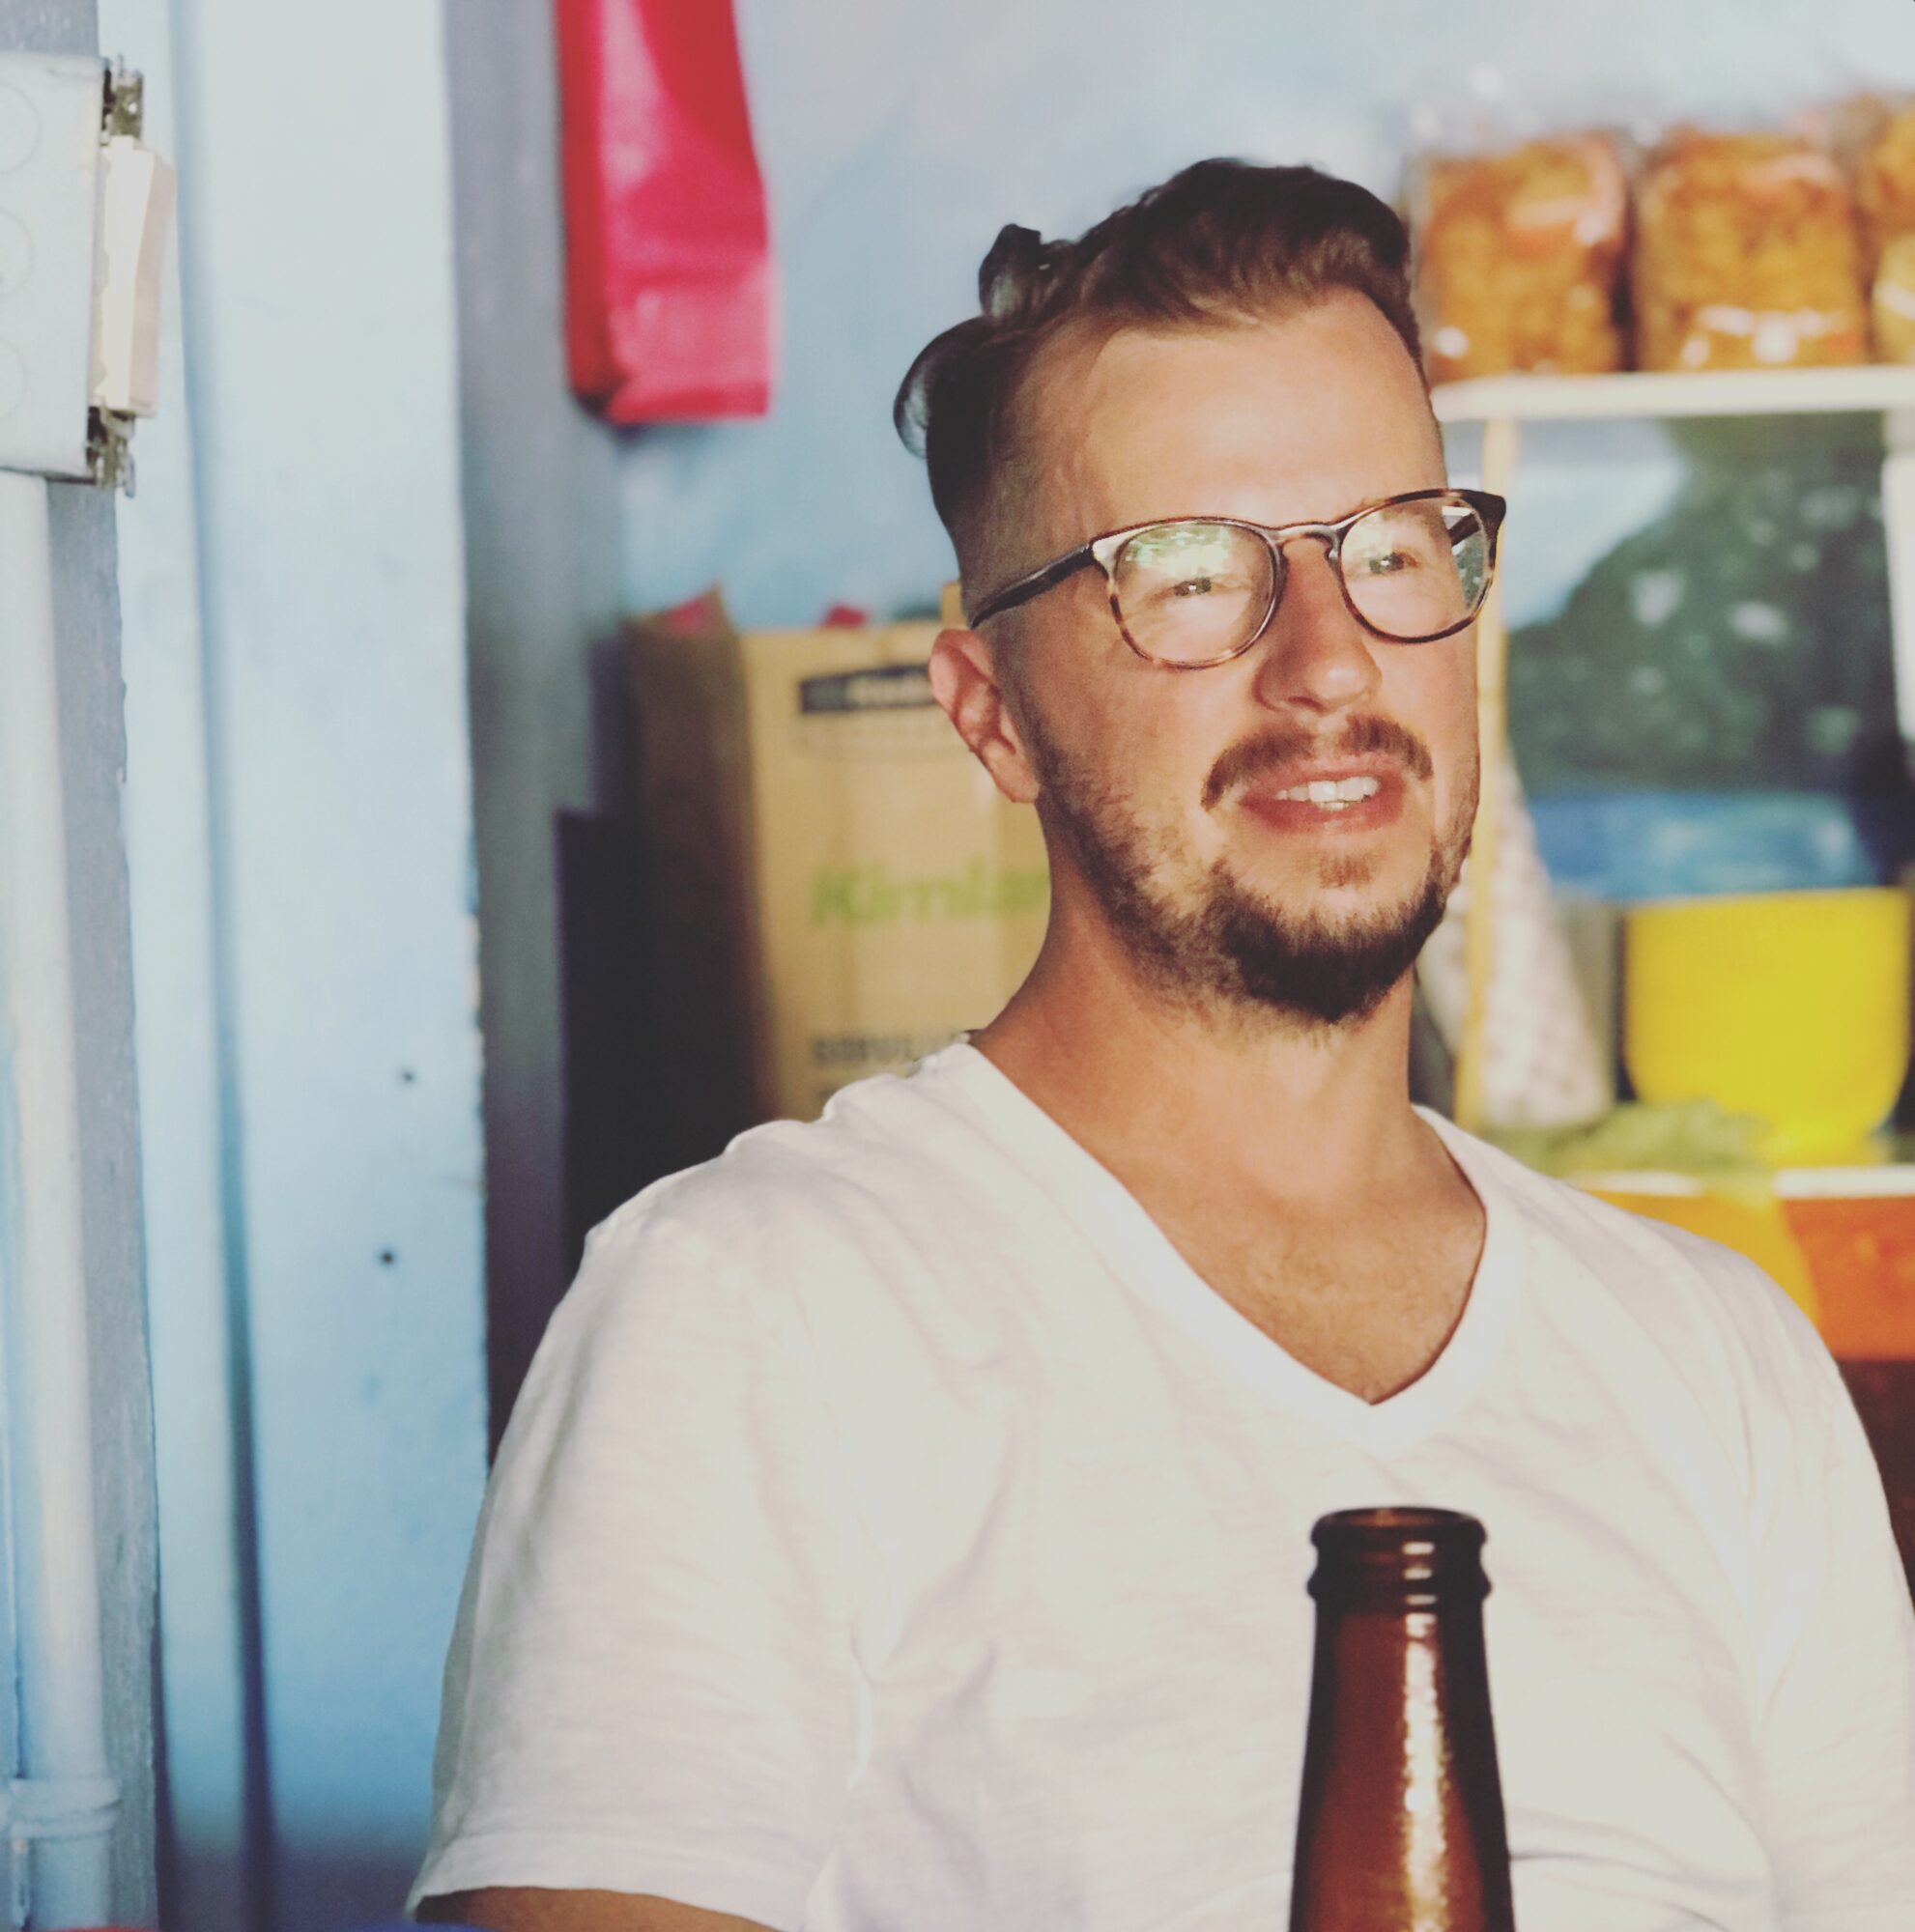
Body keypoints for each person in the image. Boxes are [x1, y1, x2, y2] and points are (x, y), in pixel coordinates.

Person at [414, 159, 1915, 1931]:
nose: (1328, 665)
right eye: (1186, 576)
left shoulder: (1714, 1354)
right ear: (993, 718)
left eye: (1392, 548)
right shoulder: (750, 1309)